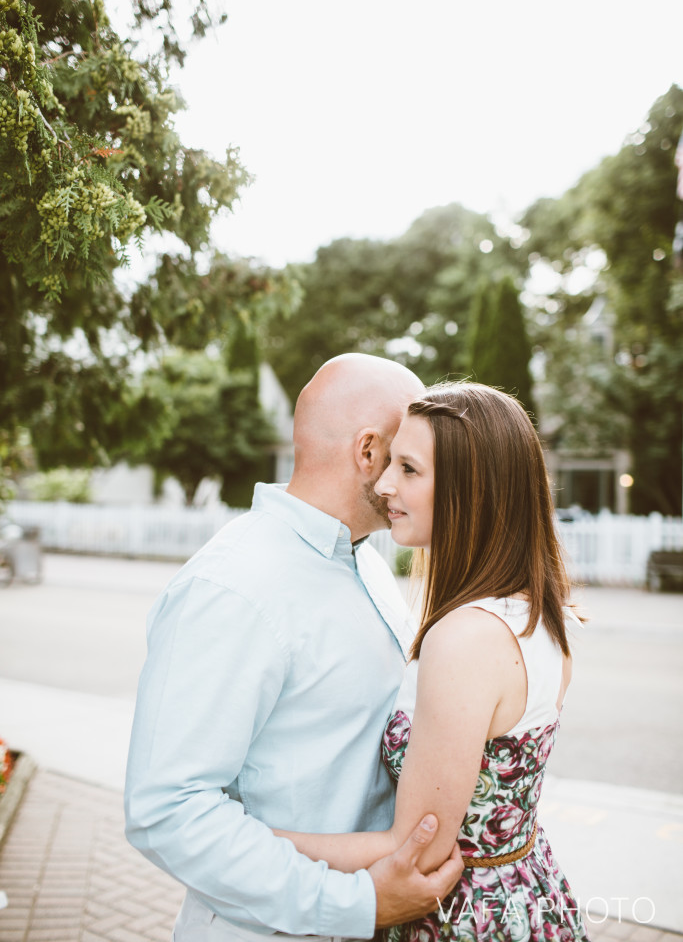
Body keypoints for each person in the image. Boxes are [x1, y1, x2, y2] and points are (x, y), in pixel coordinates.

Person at [124, 353, 464, 942]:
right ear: (367, 451)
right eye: (407, 452)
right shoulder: (232, 588)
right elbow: (168, 811)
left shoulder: (369, 565)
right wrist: (355, 903)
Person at [273, 381, 590, 941]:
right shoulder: (534, 611)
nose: (386, 483)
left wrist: (254, 839)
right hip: (528, 889)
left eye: (410, 469)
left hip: (462, 916)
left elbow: (415, 845)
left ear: (473, 489)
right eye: (390, 461)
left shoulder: (466, 637)